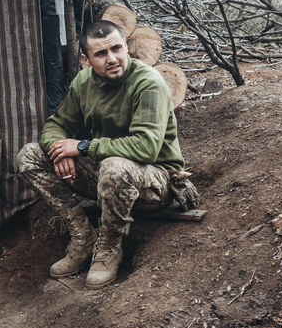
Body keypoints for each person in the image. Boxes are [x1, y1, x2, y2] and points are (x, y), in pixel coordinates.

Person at [17, 20, 197, 288]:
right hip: (108, 175)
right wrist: (59, 150)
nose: (112, 59)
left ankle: (110, 247)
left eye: (116, 48)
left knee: (115, 166)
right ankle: (83, 237)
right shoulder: (84, 82)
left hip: (157, 180)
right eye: (101, 54)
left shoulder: (149, 84)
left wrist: (81, 147)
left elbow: (145, 148)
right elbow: (56, 125)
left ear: (126, 46)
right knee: (30, 154)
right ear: (85, 60)